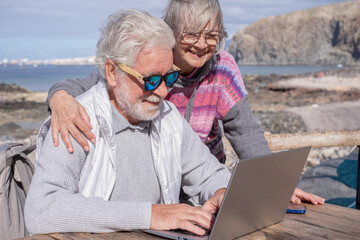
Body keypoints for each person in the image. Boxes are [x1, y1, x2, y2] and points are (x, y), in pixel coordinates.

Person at [45, 0, 325, 205]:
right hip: (155, 183)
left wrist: (274, 184)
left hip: (206, 181)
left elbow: (246, 131)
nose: (202, 44)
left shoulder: (222, 69)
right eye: (191, 34)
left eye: (212, 35)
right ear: (172, 32)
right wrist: (59, 98)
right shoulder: (153, 61)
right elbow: (95, 84)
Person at [24, 9, 231, 236]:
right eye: (151, 80)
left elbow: (209, 174)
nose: (162, 91)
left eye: (170, 77)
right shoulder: (75, 120)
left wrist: (222, 191)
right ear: (112, 72)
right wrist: (151, 215)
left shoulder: (168, 117)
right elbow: (41, 210)